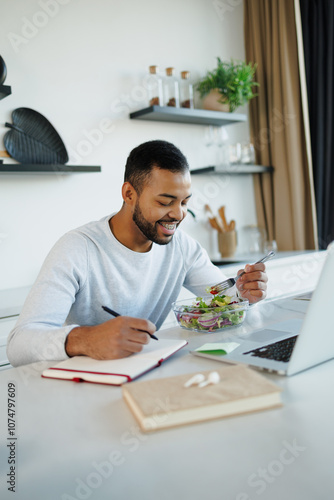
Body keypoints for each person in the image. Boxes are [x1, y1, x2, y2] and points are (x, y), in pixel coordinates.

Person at [7, 140, 268, 367]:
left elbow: (225, 298)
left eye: (184, 202)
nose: (177, 214)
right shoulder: (77, 249)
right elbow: (19, 344)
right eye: (165, 202)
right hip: (88, 383)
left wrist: (244, 294)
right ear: (129, 193)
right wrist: (86, 339)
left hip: (149, 370)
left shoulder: (183, 248)